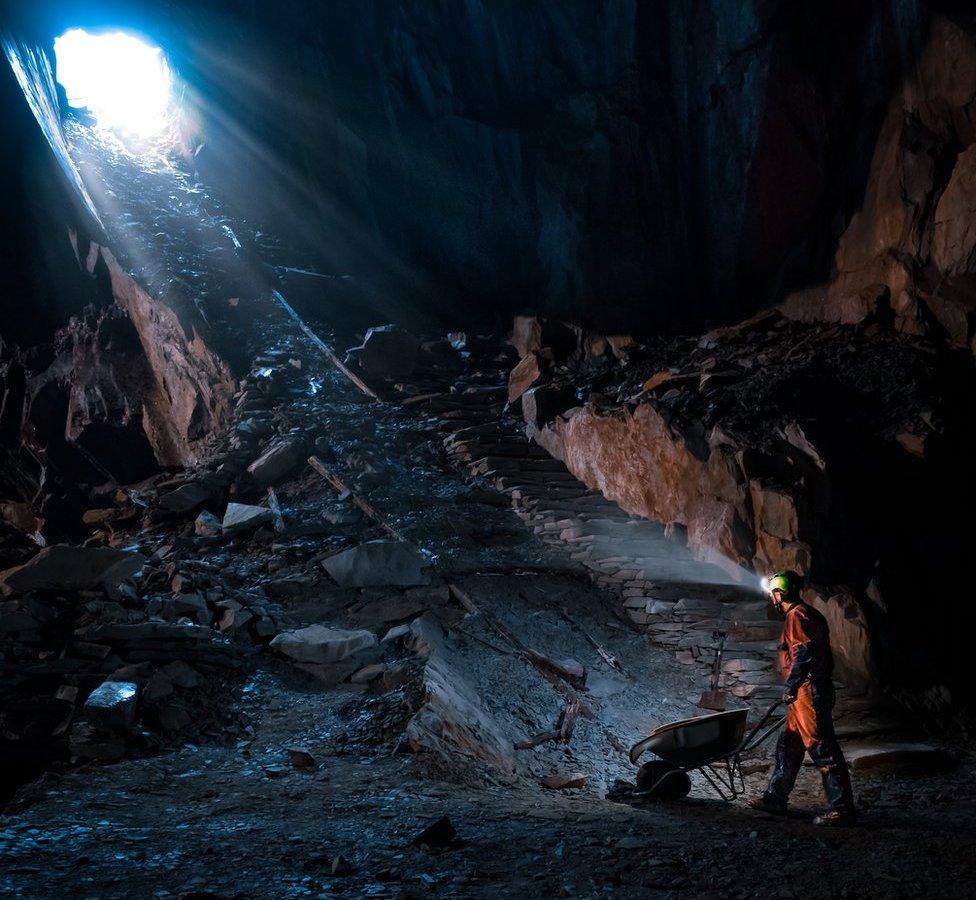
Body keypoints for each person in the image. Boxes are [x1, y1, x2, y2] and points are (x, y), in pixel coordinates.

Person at [748, 570, 857, 826]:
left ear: (779, 593)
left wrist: (792, 685)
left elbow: (803, 652)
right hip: (805, 693)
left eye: (773, 593)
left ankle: (842, 810)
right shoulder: (808, 614)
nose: (772, 598)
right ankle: (775, 798)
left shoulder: (797, 616)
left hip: (807, 692)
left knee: (822, 747)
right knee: (789, 745)